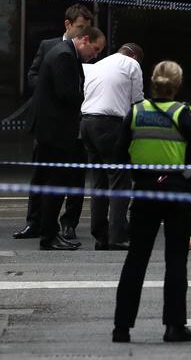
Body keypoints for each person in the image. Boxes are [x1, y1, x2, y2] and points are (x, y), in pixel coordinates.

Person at [113, 60, 191, 343]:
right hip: (176, 192)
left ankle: (121, 328)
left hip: (144, 192)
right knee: (176, 260)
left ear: (152, 83)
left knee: (136, 259)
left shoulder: (135, 112)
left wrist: (139, 172)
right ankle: (174, 326)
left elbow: (119, 155)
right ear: (178, 85)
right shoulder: (184, 114)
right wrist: (186, 164)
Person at [13, 4, 93, 241]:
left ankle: (68, 222)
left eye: (87, 28)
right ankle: (34, 222)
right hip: (52, 120)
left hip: (77, 119)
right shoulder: (50, 46)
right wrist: (50, 89)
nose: (84, 33)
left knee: (75, 175)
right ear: (68, 25)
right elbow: (33, 75)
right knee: (41, 173)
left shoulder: (88, 49)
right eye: (80, 27)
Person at [32, 26, 105, 250]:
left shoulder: (64, 52)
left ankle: (50, 233)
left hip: (52, 130)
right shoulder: (64, 55)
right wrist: (88, 98)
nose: (95, 55)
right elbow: (67, 93)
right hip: (56, 132)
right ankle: (49, 236)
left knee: (53, 183)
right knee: (56, 184)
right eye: (94, 49)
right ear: (83, 40)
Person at [80, 43, 144, 251]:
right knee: (120, 180)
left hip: (87, 123)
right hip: (110, 124)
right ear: (134, 56)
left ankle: (101, 235)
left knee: (98, 182)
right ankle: (117, 236)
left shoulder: (98, 64)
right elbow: (137, 103)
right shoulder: (132, 64)